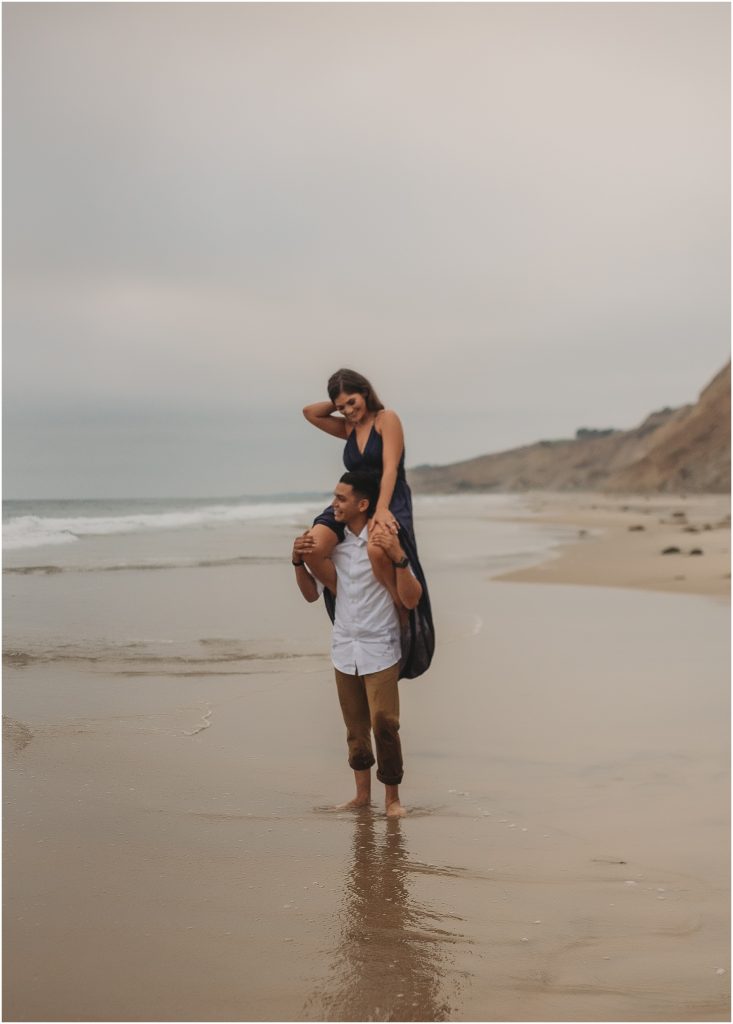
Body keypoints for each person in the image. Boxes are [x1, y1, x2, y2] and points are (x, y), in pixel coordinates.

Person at [292, 471, 423, 818]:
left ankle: (392, 798)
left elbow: (411, 599)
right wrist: (296, 561)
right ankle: (361, 796)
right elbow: (309, 595)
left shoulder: (384, 542)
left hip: (380, 645)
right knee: (355, 729)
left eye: (340, 498)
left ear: (363, 504)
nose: (332, 505)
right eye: (334, 497)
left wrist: (399, 557)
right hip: (343, 647)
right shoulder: (334, 550)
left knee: (384, 722)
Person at [302, 368, 434, 679]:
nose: (348, 410)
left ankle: (398, 609)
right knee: (314, 547)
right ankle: (349, 604)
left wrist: (382, 510)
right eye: (342, 406)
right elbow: (309, 413)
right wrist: (339, 404)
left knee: (378, 552)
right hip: (352, 499)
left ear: (365, 392)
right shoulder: (349, 427)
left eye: (352, 401)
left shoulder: (386, 419)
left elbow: (390, 469)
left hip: (389, 498)